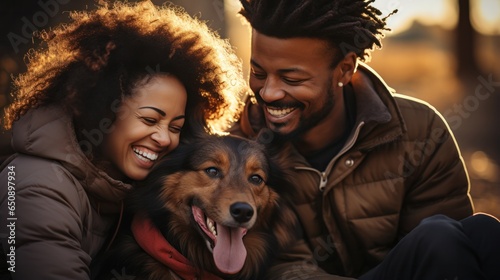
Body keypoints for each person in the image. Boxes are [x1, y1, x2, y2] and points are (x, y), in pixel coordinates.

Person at [231, 0, 500, 279]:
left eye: (293, 79)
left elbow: (448, 257)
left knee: (484, 232)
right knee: (438, 238)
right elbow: (279, 270)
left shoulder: (422, 133)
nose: (269, 93)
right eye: (259, 73)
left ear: (345, 69)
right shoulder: (239, 150)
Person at [0, 2, 246, 279]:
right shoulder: (37, 185)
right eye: (150, 120)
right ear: (102, 108)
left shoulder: (130, 181)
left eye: (175, 127)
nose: (164, 138)